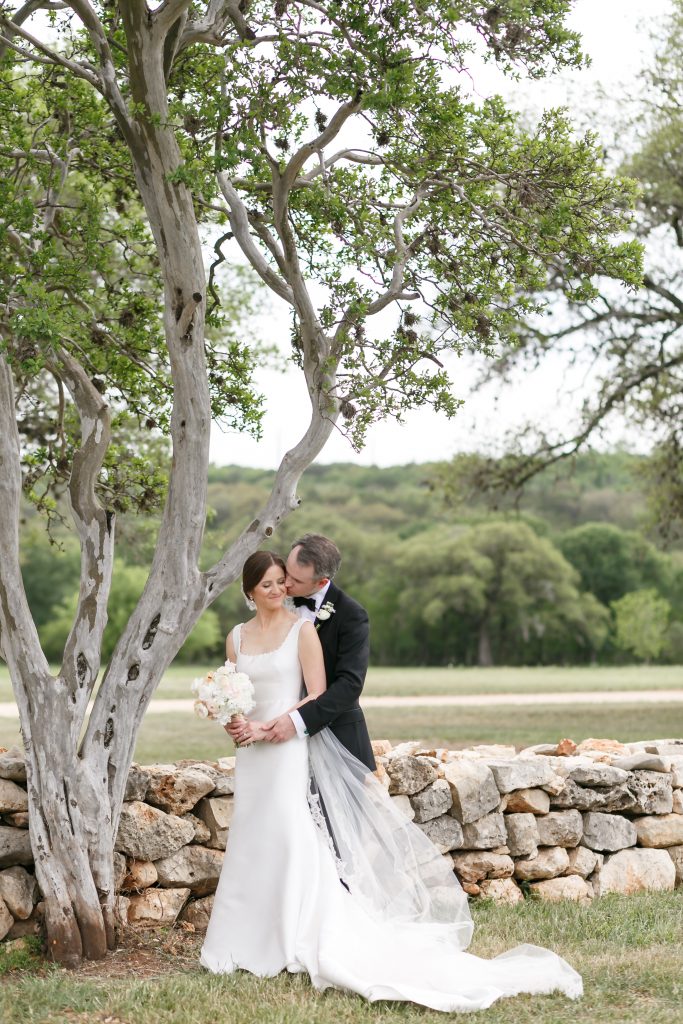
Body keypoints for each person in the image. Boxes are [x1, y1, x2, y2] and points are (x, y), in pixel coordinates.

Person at [200, 550, 583, 1012]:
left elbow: (321, 694)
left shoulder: (304, 630)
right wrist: (234, 721)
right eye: (270, 584)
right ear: (249, 592)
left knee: (289, 833)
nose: (280, 589)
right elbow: (232, 692)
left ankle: (289, 937)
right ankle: (240, 939)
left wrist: (272, 727)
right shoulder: (236, 637)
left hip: (286, 749)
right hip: (252, 756)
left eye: (285, 580)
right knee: (251, 835)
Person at [229, 534, 375, 770]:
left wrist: (295, 722)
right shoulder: (276, 600)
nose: (284, 585)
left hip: (335, 738)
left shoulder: (351, 616)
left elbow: (350, 685)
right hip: (271, 741)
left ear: (320, 582)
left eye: (294, 580)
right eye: (287, 572)